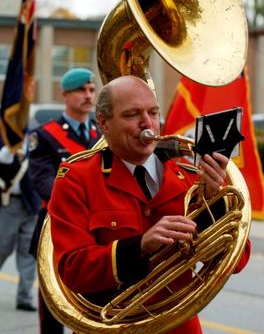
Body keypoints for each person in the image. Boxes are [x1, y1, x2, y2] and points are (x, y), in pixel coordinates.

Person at [48, 75, 251, 334]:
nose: (148, 123)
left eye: (153, 112)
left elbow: (239, 260)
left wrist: (214, 200)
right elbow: (73, 270)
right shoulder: (77, 178)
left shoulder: (191, 175)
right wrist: (140, 246)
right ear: (104, 123)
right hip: (111, 327)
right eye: (132, 114)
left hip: (179, 326)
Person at [28, 67, 101, 334]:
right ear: (65, 95)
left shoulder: (100, 135)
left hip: (95, 229)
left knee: (92, 303)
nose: (88, 95)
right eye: (81, 90)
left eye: (92, 90)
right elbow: (41, 180)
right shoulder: (45, 135)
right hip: (55, 227)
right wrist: (79, 202)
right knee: (53, 304)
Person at [0, 135, 40, 312]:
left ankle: (24, 297)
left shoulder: (33, 138)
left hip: (31, 203)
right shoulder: (3, 138)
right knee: (2, 248)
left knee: (28, 253)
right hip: (9, 202)